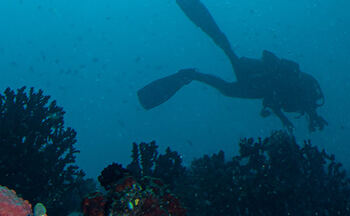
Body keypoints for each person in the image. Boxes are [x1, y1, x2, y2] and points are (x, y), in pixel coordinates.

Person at [137, 0, 326, 132]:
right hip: (259, 79)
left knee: (226, 54)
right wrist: (286, 117)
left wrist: (284, 118)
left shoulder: (303, 92)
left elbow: (276, 99)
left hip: (259, 81)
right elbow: (279, 93)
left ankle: (192, 74)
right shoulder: (303, 91)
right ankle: (193, 72)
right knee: (226, 55)